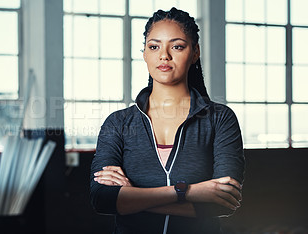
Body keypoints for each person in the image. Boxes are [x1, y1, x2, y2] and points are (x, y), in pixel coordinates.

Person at [90, 7, 245, 234]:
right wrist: (186, 191)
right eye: (154, 46)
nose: (164, 55)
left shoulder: (220, 119)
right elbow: (102, 199)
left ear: (195, 52)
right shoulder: (118, 123)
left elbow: (222, 201)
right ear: (144, 53)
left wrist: (134, 197)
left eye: (177, 46)